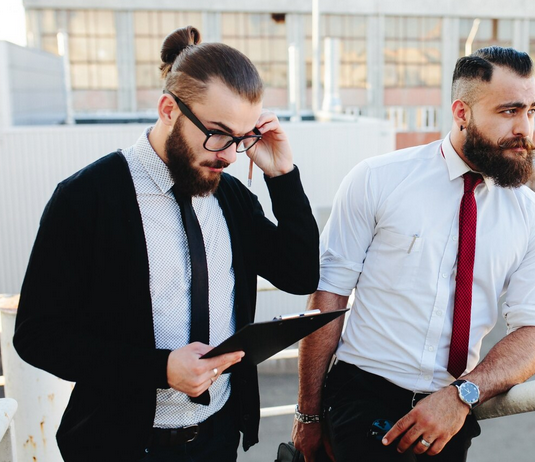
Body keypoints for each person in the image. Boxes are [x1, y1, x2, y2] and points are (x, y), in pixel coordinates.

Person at [14, 25, 320, 462]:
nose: (229, 155)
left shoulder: (230, 196)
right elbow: (37, 336)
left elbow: (300, 274)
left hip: (217, 439)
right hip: (118, 446)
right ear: (168, 109)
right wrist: (159, 369)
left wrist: (282, 175)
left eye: (241, 138)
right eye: (217, 133)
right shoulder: (86, 198)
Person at [292, 47, 535, 462]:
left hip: (452, 409)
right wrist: (308, 414)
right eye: (509, 111)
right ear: (462, 113)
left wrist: (463, 394)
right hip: (362, 396)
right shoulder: (377, 180)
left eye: (531, 111)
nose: (524, 129)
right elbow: (329, 296)